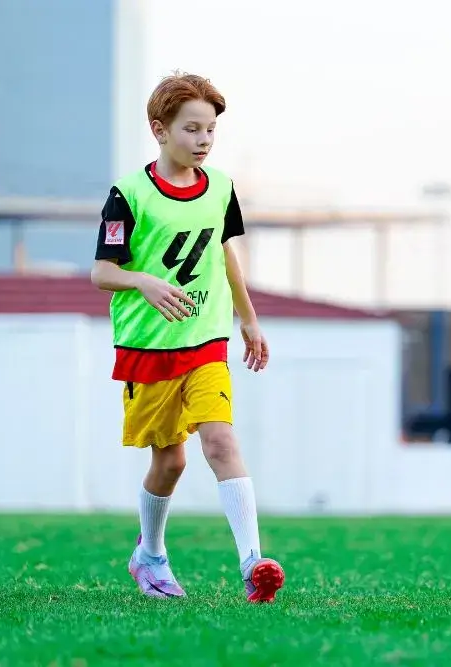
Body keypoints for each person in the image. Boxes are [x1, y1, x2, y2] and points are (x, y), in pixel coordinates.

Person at [91, 72, 285, 603]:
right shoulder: (129, 194)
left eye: (210, 130)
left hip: (206, 341)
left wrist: (248, 318)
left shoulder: (220, 188)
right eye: (192, 129)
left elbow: (224, 254)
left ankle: (252, 562)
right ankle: (149, 553)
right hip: (148, 347)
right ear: (160, 129)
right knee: (170, 462)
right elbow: (101, 273)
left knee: (221, 441)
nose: (203, 140)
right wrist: (142, 281)